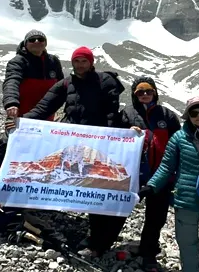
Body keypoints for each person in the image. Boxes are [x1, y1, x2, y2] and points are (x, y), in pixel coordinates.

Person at [20, 46, 130, 258]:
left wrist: (104, 141)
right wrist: (23, 122)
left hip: (98, 146)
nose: (80, 65)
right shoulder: (66, 84)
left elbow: (111, 113)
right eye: (76, 61)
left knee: (97, 191)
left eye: (84, 61)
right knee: (69, 183)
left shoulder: (105, 81)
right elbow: (45, 106)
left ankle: (97, 243)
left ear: (91, 62)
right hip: (71, 144)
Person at [139, 96, 199, 272]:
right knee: (187, 246)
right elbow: (166, 166)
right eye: (194, 112)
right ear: (188, 116)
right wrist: (152, 186)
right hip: (185, 200)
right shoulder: (178, 138)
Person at [119, 77, 181, 272]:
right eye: (140, 92)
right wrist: (126, 132)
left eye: (148, 91)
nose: (144, 95)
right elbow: (115, 136)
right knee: (118, 209)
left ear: (155, 92)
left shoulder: (168, 116)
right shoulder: (127, 113)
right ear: (134, 94)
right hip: (132, 174)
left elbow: (178, 143)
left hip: (161, 175)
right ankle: (100, 243)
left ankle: (149, 253)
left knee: (156, 216)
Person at [2, 29, 64, 118]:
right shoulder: (18, 62)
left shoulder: (53, 61)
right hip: (21, 115)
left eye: (40, 39)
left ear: (45, 43)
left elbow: (61, 85)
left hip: (47, 115)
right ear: (25, 43)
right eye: (32, 40)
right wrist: (11, 103)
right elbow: (11, 82)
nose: (36, 41)